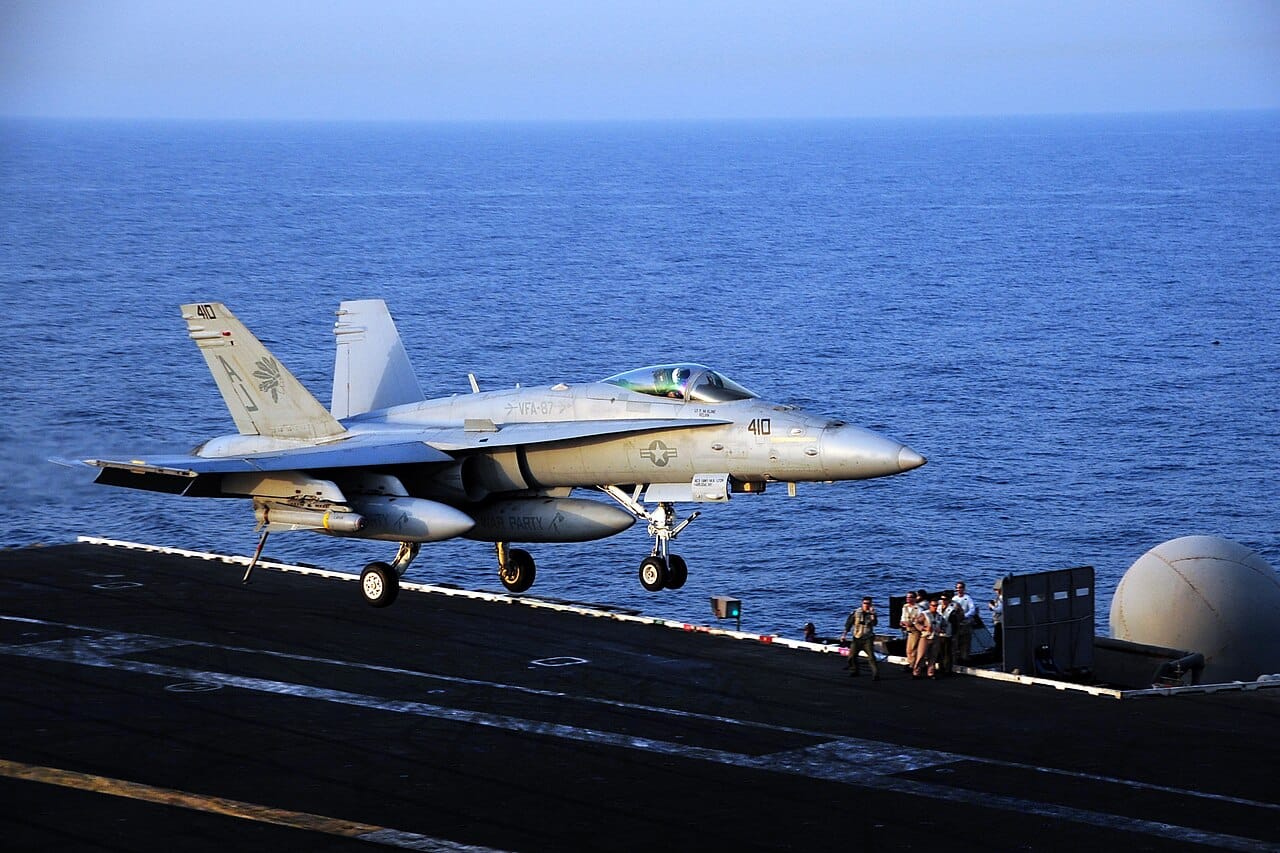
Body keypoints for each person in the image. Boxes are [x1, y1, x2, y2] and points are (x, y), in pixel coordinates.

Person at [841, 596, 880, 680]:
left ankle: (875, 674)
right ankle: (854, 670)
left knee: (871, 657)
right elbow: (849, 624)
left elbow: (875, 623)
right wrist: (844, 635)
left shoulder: (872, 614)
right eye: (865, 603)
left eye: (868, 603)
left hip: (867, 638)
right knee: (851, 656)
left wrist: (872, 614)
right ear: (862, 603)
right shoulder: (856, 612)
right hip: (857, 637)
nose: (866, 605)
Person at [912, 599, 942, 679]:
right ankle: (916, 672)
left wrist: (941, 630)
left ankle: (930, 673)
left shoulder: (939, 616)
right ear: (930, 606)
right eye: (933, 606)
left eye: (936, 606)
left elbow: (944, 625)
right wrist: (924, 628)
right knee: (921, 655)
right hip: (925, 637)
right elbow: (916, 622)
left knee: (933, 656)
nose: (935, 607)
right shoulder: (925, 614)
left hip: (935, 637)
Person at [952, 581, 976, 665]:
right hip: (956, 623)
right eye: (957, 588)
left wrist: (965, 616)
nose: (959, 589)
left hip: (965, 622)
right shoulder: (954, 599)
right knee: (955, 642)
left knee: (965, 642)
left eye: (960, 588)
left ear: (964, 589)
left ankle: (965, 658)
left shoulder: (967, 598)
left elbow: (972, 609)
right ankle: (955, 660)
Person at [899, 591, 921, 673]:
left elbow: (919, 620)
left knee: (913, 648)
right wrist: (902, 622)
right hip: (908, 630)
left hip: (915, 630)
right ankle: (911, 663)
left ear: (914, 598)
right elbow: (903, 616)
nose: (908, 599)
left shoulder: (918, 608)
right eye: (907, 597)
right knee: (908, 649)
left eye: (910, 597)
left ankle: (913, 665)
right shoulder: (905, 607)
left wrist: (912, 623)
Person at [936, 593, 957, 675]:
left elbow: (955, 624)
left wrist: (953, 634)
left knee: (947, 652)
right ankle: (941, 667)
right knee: (939, 651)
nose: (943, 601)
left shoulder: (951, 610)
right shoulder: (938, 608)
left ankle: (948, 669)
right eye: (942, 599)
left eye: (945, 599)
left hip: (947, 633)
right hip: (938, 633)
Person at [989, 582, 1005, 655]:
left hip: (999, 621)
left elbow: (999, 610)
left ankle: (998, 653)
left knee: (997, 638)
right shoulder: (1000, 598)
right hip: (999, 620)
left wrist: (992, 606)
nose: (995, 591)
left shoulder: (1001, 598)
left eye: (996, 590)